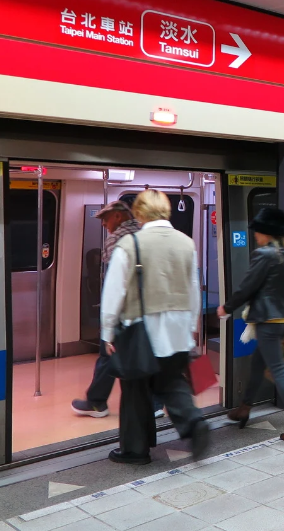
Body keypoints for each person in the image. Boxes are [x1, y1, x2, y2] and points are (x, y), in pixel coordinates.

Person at [101, 190, 209, 464]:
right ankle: (195, 424)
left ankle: (135, 450)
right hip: (177, 328)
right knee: (172, 381)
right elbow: (194, 288)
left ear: (139, 213)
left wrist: (108, 331)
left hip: (140, 328)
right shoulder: (187, 243)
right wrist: (191, 327)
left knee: (135, 388)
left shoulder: (131, 244)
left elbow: (114, 293)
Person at [217, 207, 284, 442]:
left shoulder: (264, 255)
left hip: (268, 322)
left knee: (278, 370)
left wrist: (227, 307)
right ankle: (244, 408)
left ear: (267, 232)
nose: (255, 236)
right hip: (283, 320)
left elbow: (248, 286)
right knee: (259, 364)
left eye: (258, 232)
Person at [71, 201, 154, 419]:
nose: (104, 225)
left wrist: (107, 322)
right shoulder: (145, 235)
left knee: (108, 354)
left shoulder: (119, 240)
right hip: (149, 309)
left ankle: (97, 403)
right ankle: (154, 403)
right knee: (146, 356)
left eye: (105, 219)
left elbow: (115, 286)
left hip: (126, 311)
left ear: (118, 216)